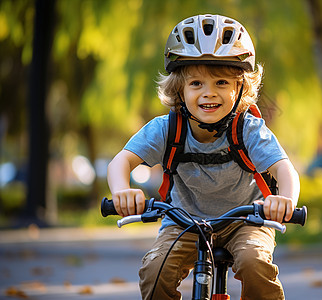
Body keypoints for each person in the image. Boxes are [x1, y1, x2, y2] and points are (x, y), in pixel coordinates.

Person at [107, 14, 300, 300]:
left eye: (221, 82)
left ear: (240, 88)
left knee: (254, 263)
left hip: (246, 223)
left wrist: (284, 201)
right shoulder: (166, 129)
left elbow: (286, 171)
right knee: (155, 271)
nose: (209, 93)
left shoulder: (247, 129)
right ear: (179, 90)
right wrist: (122, 192)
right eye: (196, 83)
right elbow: (119, 163)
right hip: (183, 223)